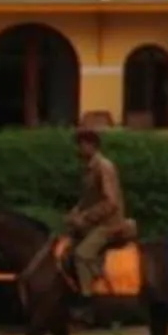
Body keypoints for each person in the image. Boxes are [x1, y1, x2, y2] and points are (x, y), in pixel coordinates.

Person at [61, 127, 135, 296]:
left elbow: (111, 202)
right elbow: (87, 200)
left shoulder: (104, 167)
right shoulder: (88, 169)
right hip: (95, 223)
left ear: (91, 145)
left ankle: (88, 302)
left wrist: (85, 218)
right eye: (78, 144)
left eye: (81, 144)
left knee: (82, 254)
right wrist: (74, 214)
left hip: (108, 225)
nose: (78, 148)